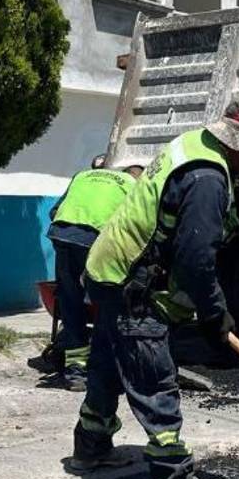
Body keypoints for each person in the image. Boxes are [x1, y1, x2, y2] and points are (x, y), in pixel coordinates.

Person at [70, 96, 239, 479]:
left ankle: (90, 449)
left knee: (107, 365)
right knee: (154, 375)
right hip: (133, 283)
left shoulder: (194, 144)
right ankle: (171, 477)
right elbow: (194, 258)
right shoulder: (207, 179)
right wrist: (215, 313)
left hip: (107, 270)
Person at [45, 163, 144, 390]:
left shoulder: (83, 175)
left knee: (71, 305)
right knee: (106, 303)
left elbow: (55, 211)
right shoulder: (132, 185)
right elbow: (136, 223)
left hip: (62, 235)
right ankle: (105, 367)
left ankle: (76, 373)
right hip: (95, 241)